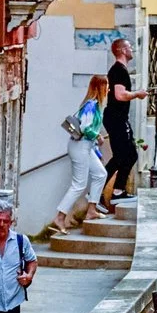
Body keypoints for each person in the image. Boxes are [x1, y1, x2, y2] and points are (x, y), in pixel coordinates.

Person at [51, 75, 108, 232]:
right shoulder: (91, 105)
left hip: (85, 147)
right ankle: (60, 217)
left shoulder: (92, 105)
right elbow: (85, 128)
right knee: (79, 184)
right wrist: (97, 136)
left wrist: (95, 147)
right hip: (80, 147)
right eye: (107, 86)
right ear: (101, 88)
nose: (108, 90)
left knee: (100, 174)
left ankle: (91, 210)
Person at [100, 36, 142, 210]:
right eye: (130, 47)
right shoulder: (119, 71)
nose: (132, 49)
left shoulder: (119, 70)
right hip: (116, 118)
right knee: (127, 155)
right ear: (123, 50)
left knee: (126, 155)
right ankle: (108, 193)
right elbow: (119, 95)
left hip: (117, 118)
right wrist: (137, 93)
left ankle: (116, 192)